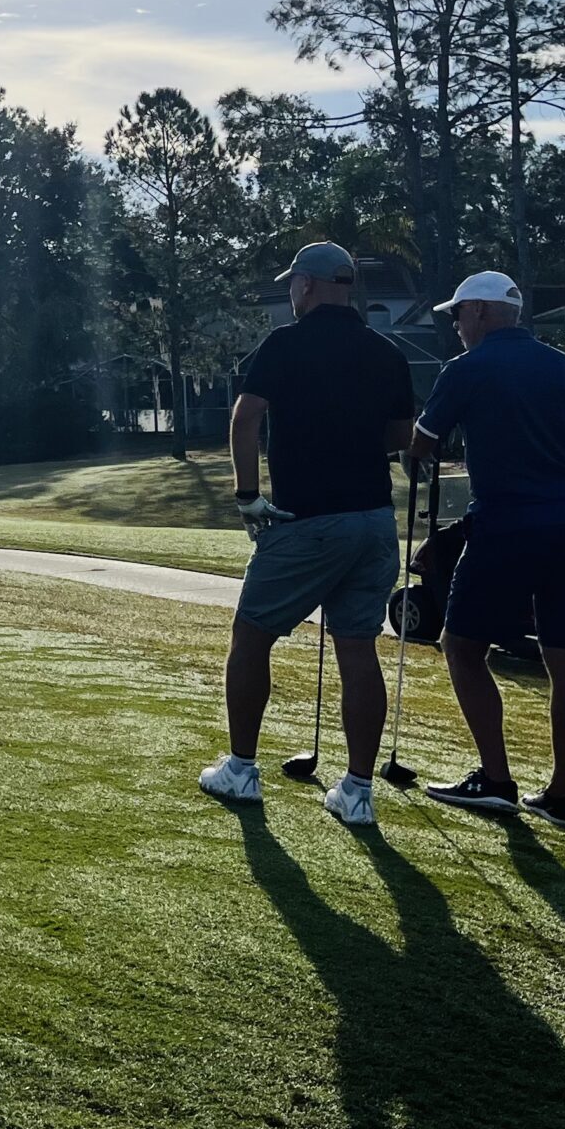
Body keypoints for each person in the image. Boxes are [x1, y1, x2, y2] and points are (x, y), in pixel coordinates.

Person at [199, 242, 416, 825]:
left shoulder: (285, 344)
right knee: (357, 649)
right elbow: (400, 435)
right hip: (373, 521)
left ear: (311, 286)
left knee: (251, 639)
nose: (291, 293)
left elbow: (245, 418)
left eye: (294, 283)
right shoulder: (386, 352)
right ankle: (357, 792)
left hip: (307, 521)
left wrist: (248, 497)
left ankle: (241, 770)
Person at [406, 271, 565, 829]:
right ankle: (560, 797)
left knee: (461, 645)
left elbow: (422, 444)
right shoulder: (564, 367)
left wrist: (411, 455)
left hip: (506, 525)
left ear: (479, 312)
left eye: (457, 314)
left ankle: (495, 780)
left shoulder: (466, 369)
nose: (454, 324)